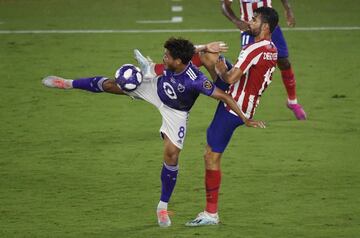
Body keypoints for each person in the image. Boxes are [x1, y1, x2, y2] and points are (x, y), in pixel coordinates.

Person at [42, 37, 265, 228]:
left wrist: (245, 118)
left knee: (172, 154)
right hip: (153, 87)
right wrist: (204, 45)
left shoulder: (197, 81)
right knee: (111, 85)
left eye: (167, 56)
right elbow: (191, 50)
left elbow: (225, 96)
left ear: (178, 61)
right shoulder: (172, 64)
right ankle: (67, 83)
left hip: (175, 113)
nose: (164, 58)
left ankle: (162, 207)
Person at [135, 7, 279, 226]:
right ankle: (154, 69)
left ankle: (211, 214)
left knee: (211, 155)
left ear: (265, 26)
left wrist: (220, 72)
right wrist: (217, 67)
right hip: (242, 96)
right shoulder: (271, 48)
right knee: (207, 54)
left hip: (235, 104)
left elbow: (230, 79)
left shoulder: (253, 48)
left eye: (254, 19)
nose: (249, 22)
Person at [221, 0, 306, 120]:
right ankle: (236, 105)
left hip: (270, 28)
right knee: (245, 69)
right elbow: (225, 5)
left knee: (284, 62)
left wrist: (288, 9)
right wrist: (236, 21)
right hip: (250, 30)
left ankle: (292, 101)